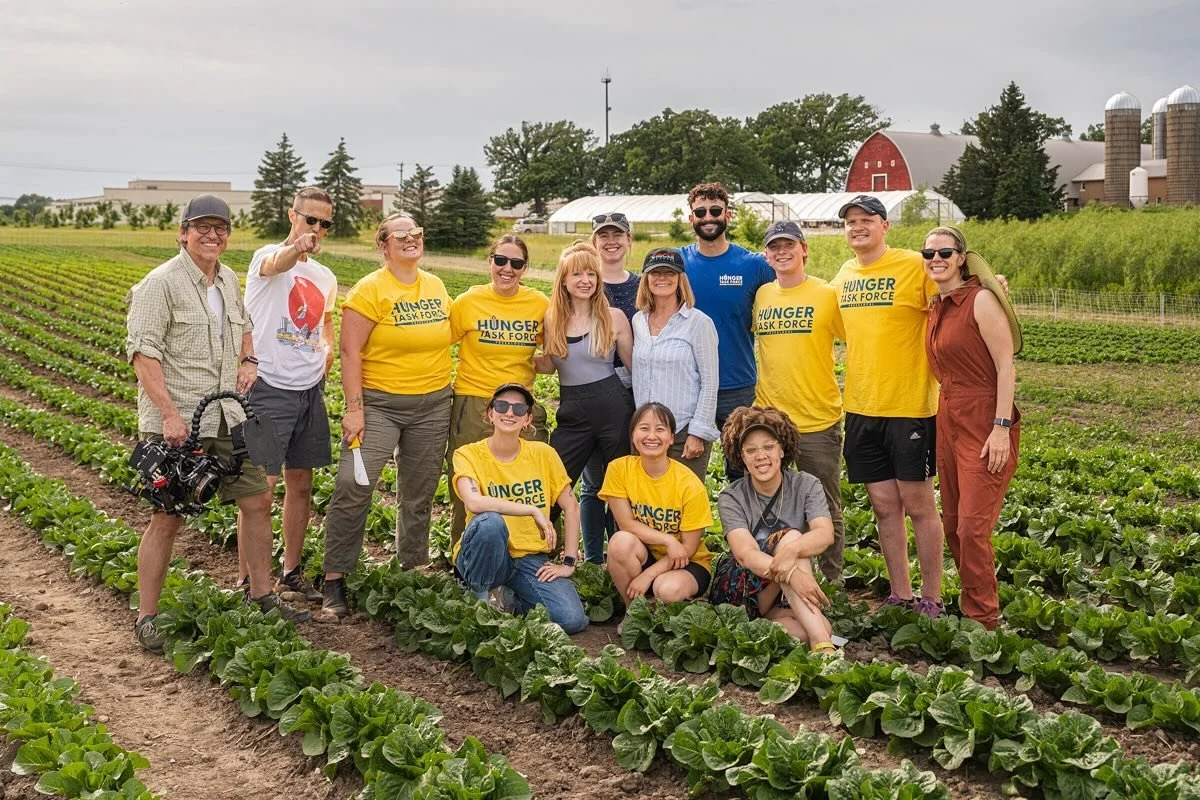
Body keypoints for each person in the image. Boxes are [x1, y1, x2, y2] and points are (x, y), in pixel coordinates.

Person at [126, 194, 310, 653]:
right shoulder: (159, 284)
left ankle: (262, 595)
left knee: (257, 499)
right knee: (167, 517)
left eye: (220, 228)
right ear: (184, 232)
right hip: (181, 422)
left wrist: (248, 358)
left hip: (228, 414)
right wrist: (168, 414)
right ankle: (147, 616)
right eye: (202, 227)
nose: (212, 235)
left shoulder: (227, 279)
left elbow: (245, 323)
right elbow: (143, 355)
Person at [320, 213, 453, 617]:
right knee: (353, 485)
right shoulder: (369, 290)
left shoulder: (435, 285)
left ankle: (412, 565)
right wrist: (355, 409)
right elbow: (349, 352)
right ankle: (334, 578)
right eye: (400, 235)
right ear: (383, 246)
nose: (410, 240)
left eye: (416, 234)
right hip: (379, 405)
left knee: (419, 491)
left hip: (432, 404)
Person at [830, 195, 944, 616]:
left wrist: (991, 284)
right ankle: (901, 592)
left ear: (885, 226)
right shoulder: (843, 275)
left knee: (919, 504)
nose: (857, 227)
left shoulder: (913, 265)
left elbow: (952, 292)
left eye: (867, 220)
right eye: (850, 222)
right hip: (861, 406)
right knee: (882, 504)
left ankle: (932, 596)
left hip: (910, 405)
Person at [236, 187, 338, 603]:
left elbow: (325, 322)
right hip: (268, 389)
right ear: (292, 216)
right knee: (260, 490)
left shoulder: (325, 276)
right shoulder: (268, 258)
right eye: (309, 219)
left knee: (301, 484)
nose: (316, 228)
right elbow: (279, 261)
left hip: (309, 391)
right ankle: (249, 581)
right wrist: (296, 248)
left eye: (324, 223)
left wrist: (326, 353)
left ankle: (291, 570)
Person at [924, 226, 1022, 630]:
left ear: (962, 256)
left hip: (984, 415)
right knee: (952, 524)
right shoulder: (937, 304)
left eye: (945, 252)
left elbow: (1005, 365)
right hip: (947, 415)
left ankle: (984, 620)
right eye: (928, 254)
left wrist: (1001, 426)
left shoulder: (980, 300)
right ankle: (971, 608)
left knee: (972, 526)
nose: (936, 259)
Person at [452, 383, 588, 634]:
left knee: (572, 619)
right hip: (486, 552)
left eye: (519, 408)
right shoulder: (468, 454)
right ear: (490, 414)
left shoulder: (543, 454)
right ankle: (478, 599)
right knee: (490, 522)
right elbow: (474, 502)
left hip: (528, 558)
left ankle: (512, 596)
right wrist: (531, 509)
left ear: (527, 419)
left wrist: (569, 561)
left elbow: (571, 506)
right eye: (502, 406)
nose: (509, 413)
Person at [753, 220, 847, 583]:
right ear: (767, 255)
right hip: (769, 420)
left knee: (823, 505)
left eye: (789, 245)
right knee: (772, 504)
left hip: (817, 420)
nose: (782, 252)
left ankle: (833, 580)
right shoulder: (761, 295)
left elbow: (864, 328)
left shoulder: (827, 294)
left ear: (804, 249)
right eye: (774, 247)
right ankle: (776, 577)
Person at [447, 235, 549, 548]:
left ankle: (523, 553)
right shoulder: (468, 301)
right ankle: (463, 555)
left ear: (525, 268)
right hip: (475, 400)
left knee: (518, 483)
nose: (507, 268)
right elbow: (436, 343)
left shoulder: (540, 303)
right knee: (469, 483)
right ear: (490, 262)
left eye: (516, 263)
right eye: (500, 260)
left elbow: (551, 356)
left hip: (518, 405)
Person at [538, 241, 634, 564]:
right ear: (563, 280)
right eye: (576, 273)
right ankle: (537, 552)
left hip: (614, 409)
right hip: (573, 412)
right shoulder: (551, 320)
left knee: (621, 490)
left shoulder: (614, 317)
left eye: (591, 273)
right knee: (553, 484)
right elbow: (550, 366)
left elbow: (636, 369)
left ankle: (624, 559)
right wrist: (513, 359)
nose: (585, 280)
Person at [710, 406, 835, 651]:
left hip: (780, 591)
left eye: (768, 446)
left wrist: (790, 553)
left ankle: (765, 626)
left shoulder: (806, 485)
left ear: (782, 449)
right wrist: (791, 573)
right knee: (792, 536)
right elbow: (745, 553)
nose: (761, 456)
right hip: (741, 587)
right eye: (751, 450)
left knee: (804, 631)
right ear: (741, 457)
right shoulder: (732, 497)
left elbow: (825, 533)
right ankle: (822, 645)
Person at [678, 182, 776, 480]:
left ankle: (744, 527)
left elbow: (789, 286)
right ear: (691, 218)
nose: (709, 217)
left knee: (744, 471)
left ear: (728, 215)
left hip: (736, 384)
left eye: (716, 210)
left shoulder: (753, 265)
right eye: (701, 211)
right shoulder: (677, 262)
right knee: (687, 472)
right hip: (690, 384)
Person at [602, 402, 714, 603]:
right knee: (620, 542)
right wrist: (668, 539)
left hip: (686, 561)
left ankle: (660, 610)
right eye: (644, 428)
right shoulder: (619, 469)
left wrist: (648, 575)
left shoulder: (689, 484)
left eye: (660, 429)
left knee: (667, 590)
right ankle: (634, 612)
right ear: (633, 435)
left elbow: (688, 548)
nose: (651, 436)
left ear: (671, 438)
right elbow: (626, 524)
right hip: (644, 553)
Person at [577, 212, 640, 555]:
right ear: (594, 243)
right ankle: (592, 557)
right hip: (592, 386)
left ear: (629, 240)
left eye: (618, 235)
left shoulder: (643, 284)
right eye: (604, 236)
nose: (611, 241)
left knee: (625, 478)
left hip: (633, 387)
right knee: (593, 481)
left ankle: (623, 550)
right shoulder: (584, 283)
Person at [630, 248, 719, 482]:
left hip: (683, 433)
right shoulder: (638, 321)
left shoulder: (699, 323)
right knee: (646, 504)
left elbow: (710, 382)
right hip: (645, 435)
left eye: (669, 272)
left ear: (681, 279)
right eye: (655, 272)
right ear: (645, 278)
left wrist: (698, 433)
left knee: (683, 508)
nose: (662, 278)